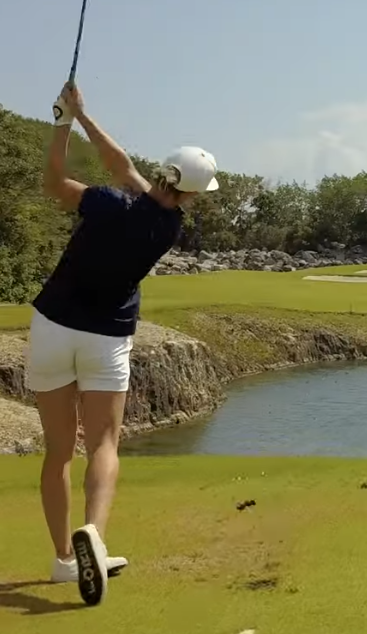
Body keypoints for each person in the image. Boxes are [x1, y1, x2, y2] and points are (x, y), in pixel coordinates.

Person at [28, 80, 221, 607]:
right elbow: (122, 168)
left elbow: (57, 182)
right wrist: (85, 118)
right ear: (194, 194)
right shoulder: (169, 226)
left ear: (163, 173)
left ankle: (63, 560)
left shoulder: (108, 203)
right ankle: (94, 531)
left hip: (52, 327)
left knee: (57, 451)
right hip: (107, 337)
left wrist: (67, 121)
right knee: (105, 444)